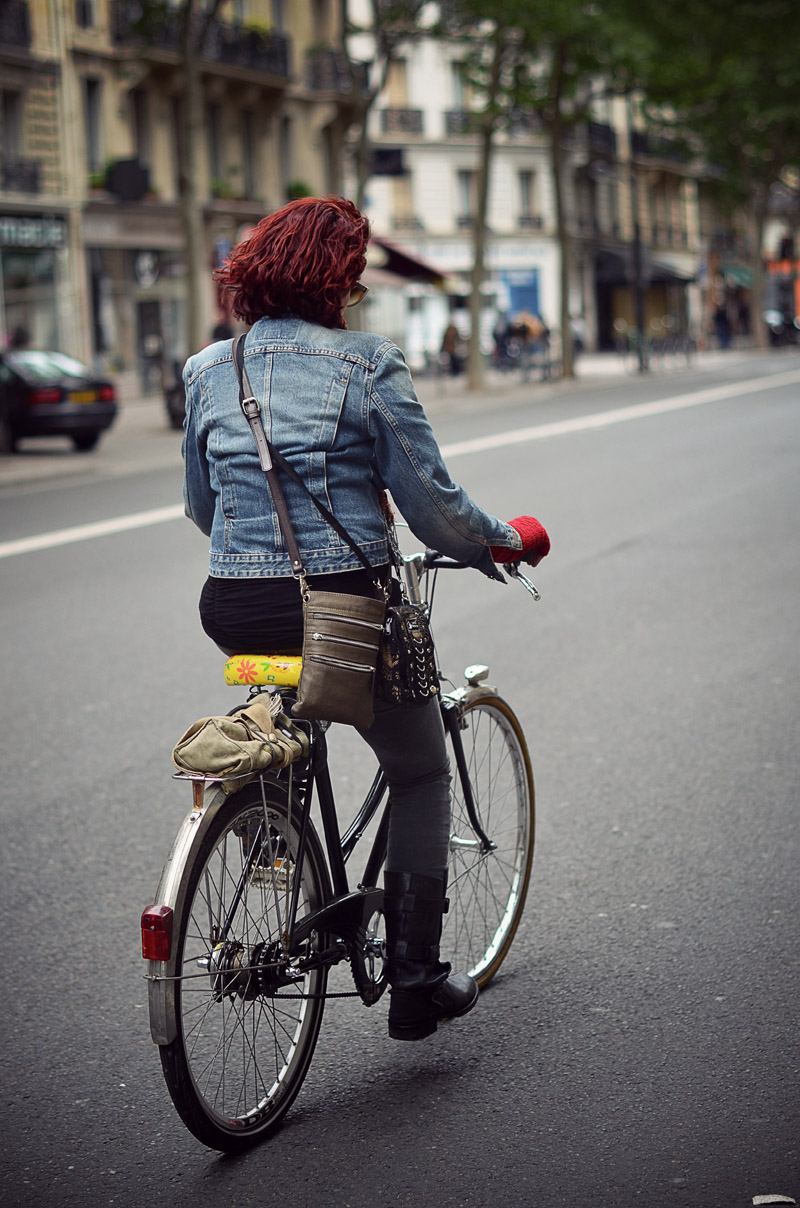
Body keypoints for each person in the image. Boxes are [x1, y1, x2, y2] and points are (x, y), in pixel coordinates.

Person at [182, 196, 550, 1043]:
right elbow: (434, 510)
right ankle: (417, 980)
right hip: (345, 608)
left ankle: (271, 830)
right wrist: (503, 544)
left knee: (291, 734)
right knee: (420, 769)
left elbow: (205, 509)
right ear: (338, 277)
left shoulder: (210, 369)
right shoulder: (365, 364)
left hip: (235, 605)